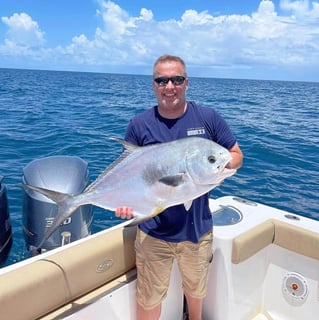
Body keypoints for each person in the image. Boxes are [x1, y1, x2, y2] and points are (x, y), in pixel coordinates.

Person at [116, 54, 243, 320]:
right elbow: (127, 174)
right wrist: (126, 205)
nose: (169, 86)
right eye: (162, 80)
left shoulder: (208, 118)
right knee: (149, 297)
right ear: (153, 85)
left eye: (177, 79)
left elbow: (234, 153)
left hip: (197, 231)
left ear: (187, 83)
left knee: (196, 292)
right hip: (152, 231)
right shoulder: (139, 125)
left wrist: (222, 167)